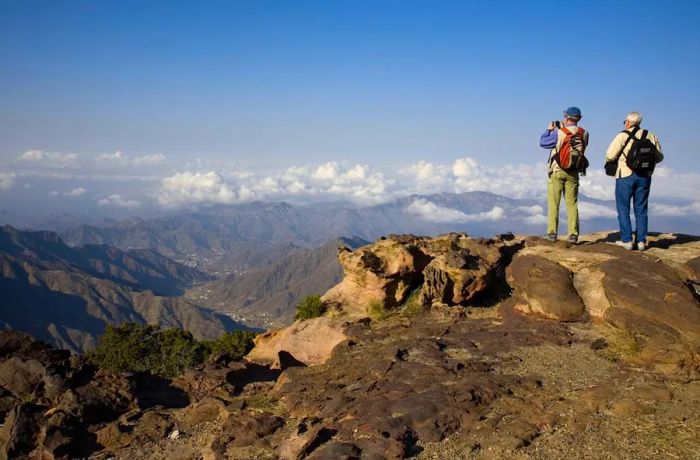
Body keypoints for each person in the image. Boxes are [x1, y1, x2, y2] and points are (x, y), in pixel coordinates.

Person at [605, 111, 664, 250]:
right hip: (644, 176)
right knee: (641, 210)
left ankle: (627, 240)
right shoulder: (650, 135)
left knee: (623, 209)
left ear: (627, 122)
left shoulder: (622, 135)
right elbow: (660, 157)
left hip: (625, 175)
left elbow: (609, 155)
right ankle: (641, 241)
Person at [539, 106, 589, 243]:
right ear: (579, 118)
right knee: (572, 204)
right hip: (573, 172)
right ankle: (573, 234)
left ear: (566, 117)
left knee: (554, 203)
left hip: (557, 171)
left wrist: (550, 130)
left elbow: (543, 142)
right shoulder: (584, 133)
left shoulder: (559, 133)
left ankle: (551, 233)